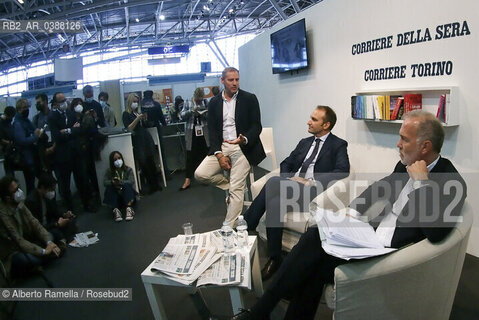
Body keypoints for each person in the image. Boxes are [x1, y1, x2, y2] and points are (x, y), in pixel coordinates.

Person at [231, 110, 467, 320]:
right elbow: (380, 187)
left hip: (393, 254)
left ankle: (259, 311)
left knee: (311, 247)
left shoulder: (452, 181)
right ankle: (265, 309)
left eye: (404, 139)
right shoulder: (405, 164)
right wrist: (352, 211)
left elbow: (436, 234)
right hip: (373, 235)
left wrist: (421, 185)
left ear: (425, 146)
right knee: (313, 254)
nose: (398, 144)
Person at [244, 106, 350, 280]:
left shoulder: (337, 144)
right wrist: (288, 180)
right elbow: (286, 163)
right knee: (275, 202)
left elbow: (342, 170)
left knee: (272, 182)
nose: (309, 121)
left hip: (312, 192)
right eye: (310, 117)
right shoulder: (304, 142)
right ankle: (274, 258)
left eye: (314, 119)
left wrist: (310, 181)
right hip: (290, 189)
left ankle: (247, 224)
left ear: (326, 125)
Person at [195, 67, 266, 226]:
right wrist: (219, 155)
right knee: (200, 174)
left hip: (242, 148)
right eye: (230, 80)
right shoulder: (214, 102)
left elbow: (257, 126)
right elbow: (212, 131)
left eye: (237, 80)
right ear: (222, 81)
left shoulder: (249, 98)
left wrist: (244, 139)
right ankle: (231, 186)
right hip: (222, 147)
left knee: (236, 191)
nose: (235, 83)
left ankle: (228, 227)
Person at [0, 176, 61, 279]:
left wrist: (49, 243)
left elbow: (35, 223)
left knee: (50, 236)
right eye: (15, 190)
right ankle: (43, 258)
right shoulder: (2, 214)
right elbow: (18, 241)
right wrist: (44, 251)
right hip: (14, 250)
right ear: (7, 197)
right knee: (30, 260)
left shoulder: (20, 204)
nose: (19, 191)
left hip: (29, 240)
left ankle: (44, 256)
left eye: (18, 187)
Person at [48, 92, 92, 212]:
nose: (64, 103)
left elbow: (79, 130)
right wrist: (72, 130)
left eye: (65, 100)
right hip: (62, 156)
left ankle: (86, 204)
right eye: (61, 101)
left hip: (76, 153)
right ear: (56, 103)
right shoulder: (52, 117)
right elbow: (56, 136)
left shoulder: (71, 114)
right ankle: (70, 209)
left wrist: (67, 130)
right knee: (65, 185)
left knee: (82, 179)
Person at [122, 93, 161, 194]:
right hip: (137, 139)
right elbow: (129, 128)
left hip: (146, 137)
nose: (135, 103)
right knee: (143, 162)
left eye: (137, 102)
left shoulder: (138, 112)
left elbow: (145, 125)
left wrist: (145, 119)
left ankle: (156, 184)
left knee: (151, 160)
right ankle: (150, 185)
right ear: (129, 102)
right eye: (134, 101)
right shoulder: (126, 114)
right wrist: (137, 119)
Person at [25, 174, 76, 247]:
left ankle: (61, 239)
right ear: (42, 187)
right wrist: (56, 224)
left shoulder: (46, 196)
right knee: (54, 234)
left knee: (70, 221)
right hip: (41, 228)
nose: (52, 192)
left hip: (50, 223)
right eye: (51, 190)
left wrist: (65, 214)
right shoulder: (31, 201)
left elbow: (55, 210)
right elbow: (36, 225)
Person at [179, 88, 210, 191]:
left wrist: (204, 114)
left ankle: (204, 177)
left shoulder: (206, 102)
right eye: (198, 100)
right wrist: (192, 111)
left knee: (205, 155)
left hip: (203, 132)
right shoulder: (187, 102)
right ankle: (187, 179)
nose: (199, 101)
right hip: (191, 132)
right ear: (194, 96)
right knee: (190, 156)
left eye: (201, 100)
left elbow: (211, 116)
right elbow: (181, 116)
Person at [13, 99, 41, 194]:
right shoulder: (18, 123)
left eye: (27, 107)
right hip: (26, 158)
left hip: (33, 155)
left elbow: (35, 130)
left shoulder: (26, 121)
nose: (27, 110)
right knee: (30, 185)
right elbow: (22, 141)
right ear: (18, 109)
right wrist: (35, 136)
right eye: (24, 108)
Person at [142, 90, 170, 175]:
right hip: (156, 130)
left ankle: (148, 174)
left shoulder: (141, 105)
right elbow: (162, 118)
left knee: (146, 154)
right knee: (161, 153)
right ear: (152, 95)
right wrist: (165, 124)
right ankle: (165, 173)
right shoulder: (156, 104)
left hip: (145, 132)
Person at [103, 151, 136, 222]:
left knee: (127, 185)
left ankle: (129, 209)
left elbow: (131, 181)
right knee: (109, 187)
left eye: (119, 158)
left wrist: (120, 182)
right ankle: (116, 210)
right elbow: (105, 182)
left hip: (127, 195)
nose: (118, 161)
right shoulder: (109, 171)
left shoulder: (128, 169)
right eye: (115, 160)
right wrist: (112, 182)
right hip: (116, 195)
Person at [34, 93, 56, 175]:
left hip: (55, 146)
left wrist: (53, 147)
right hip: (43, 149)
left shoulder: (54, 115)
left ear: (45, 102)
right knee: (47, 175)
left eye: (39, 102)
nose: (37, 105)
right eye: (36, 103)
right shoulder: (36, 118)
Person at [0, 106, 16, 177]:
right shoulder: (1, 123)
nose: (12, 119)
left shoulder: (8, 123)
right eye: (11, 117)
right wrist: (10, 143)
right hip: (6, 153)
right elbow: (0, 140)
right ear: (7, 115)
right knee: (9, 175)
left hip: (11, 152)